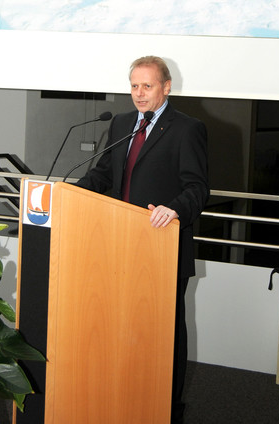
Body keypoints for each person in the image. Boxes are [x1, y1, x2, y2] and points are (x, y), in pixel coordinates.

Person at [76, 55, 209, 424]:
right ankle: (127, 399)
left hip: (162, 247)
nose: (139, 93)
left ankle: (168, 410)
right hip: (120, 247)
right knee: (122, 329)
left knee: (165, 336)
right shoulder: (121, 123)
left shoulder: (187, 129)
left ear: (166, 87)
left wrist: (175, 209)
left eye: (147, 86)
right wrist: (67, 194)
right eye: (134, 86)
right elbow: (103, 174)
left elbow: (198, 188)